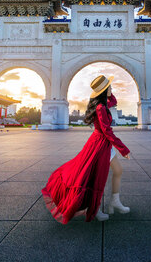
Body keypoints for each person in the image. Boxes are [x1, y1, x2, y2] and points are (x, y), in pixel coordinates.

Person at [41, 75, 131, 224]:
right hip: (99, 145)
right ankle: (94, 209)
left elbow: (113, 101)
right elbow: (107, 131)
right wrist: (123, 149)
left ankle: (114, 202)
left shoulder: (104, 105)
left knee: (118, 171)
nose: (112, 89)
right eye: (109, 87)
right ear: (103, 91)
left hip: (104, 144)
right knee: (96, 178)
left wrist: (107, 90)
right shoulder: (101, 108)